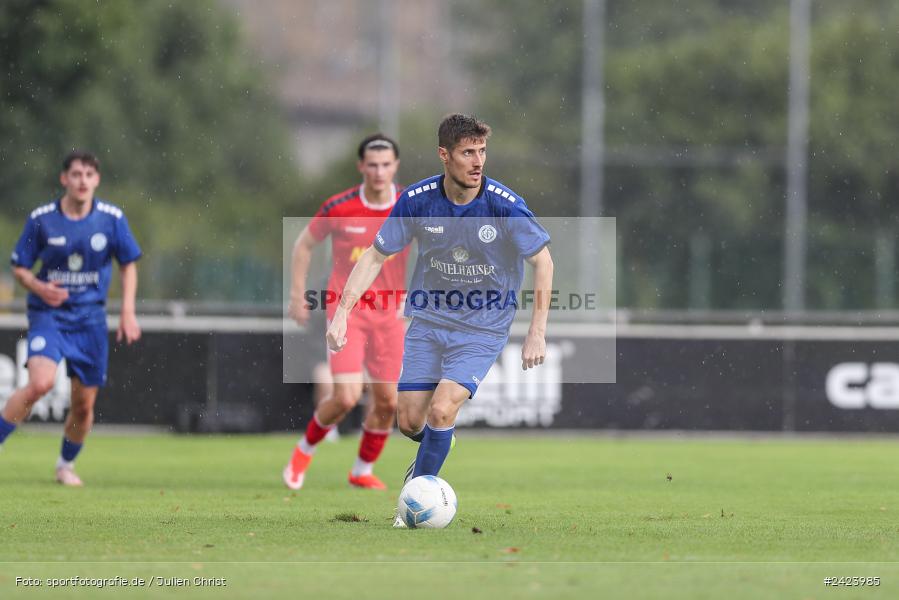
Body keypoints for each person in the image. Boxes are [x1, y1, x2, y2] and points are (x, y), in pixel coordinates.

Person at [326, 114, 554, 524]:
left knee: (441, 409)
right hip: (429, 322)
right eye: (468, 152)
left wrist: (537, 331)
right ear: (444, 155)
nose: (478, 161)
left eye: (482, 151)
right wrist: (343, 311)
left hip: (482, 328)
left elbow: (543, 261)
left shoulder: (503, 204)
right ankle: (439, 440)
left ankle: (415, 500)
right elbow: (376, 255)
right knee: (410, 420)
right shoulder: (417, 200)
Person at [0, 151, 142, 486]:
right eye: (76, 174)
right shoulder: (42, 219)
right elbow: (19, 266)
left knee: (82, 406)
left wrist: (127, 311)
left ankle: (65, 465)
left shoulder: (111, 218)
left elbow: (128, 265)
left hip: (90, 320)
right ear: (64, 179)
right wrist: (37, 285)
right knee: (40, 384)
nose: (82, 181)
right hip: (49, 315)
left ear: (97, 180)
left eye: (89, 175)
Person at [283, 134, 409, 491]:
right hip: (347, 310)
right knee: (347, 396)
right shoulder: (339, 206)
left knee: (388, 402)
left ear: (395, 166)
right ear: (361, 166)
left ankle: (361, 470)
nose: (379, 171)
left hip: (389, 315)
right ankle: (303, 450)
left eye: (386, 164)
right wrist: (297, 295)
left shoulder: (408, 206)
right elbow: (303, 245)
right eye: (373, 164)